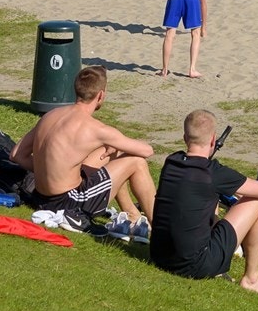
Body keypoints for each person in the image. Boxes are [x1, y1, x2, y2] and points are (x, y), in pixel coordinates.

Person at [12, 65, 157, 240]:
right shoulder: (96, 128)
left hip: (41, 196)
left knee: (111, 152)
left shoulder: (51, 115)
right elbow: (146, 151)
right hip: (71, 202)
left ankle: (132, 215)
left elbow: (16, 154)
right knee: (136, 162)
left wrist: (49, 173)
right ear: (101, 95)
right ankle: (161, 231)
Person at [151, 109, 258, 293]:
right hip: (195, 265)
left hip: (160, 256)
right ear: (213, 140)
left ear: (185, 138)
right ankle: (252, 279)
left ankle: (246, 274)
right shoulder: (214, 173)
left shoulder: (171, 162)